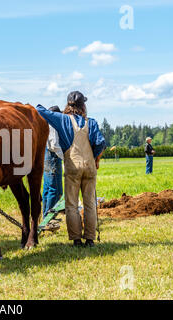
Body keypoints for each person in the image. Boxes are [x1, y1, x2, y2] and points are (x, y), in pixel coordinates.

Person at [36, 91, 106, 247]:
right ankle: (89, 239)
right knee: (89, 203)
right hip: (89, 166)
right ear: (83, 105)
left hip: (72, 167)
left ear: (68, 105)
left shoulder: (62, 119)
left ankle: (76, 239)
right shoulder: (91, 122)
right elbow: (101, 143)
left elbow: (39, 109)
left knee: (72, 205)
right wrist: (96, 159)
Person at [42, 105, 64, 219]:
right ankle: (49, 218)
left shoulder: (45, 125)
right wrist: (66, 158)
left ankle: (45, 215)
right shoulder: (53, 126)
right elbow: (55, 145)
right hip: (53, 158)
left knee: (47, 188)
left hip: (46, 157)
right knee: (55, 189)